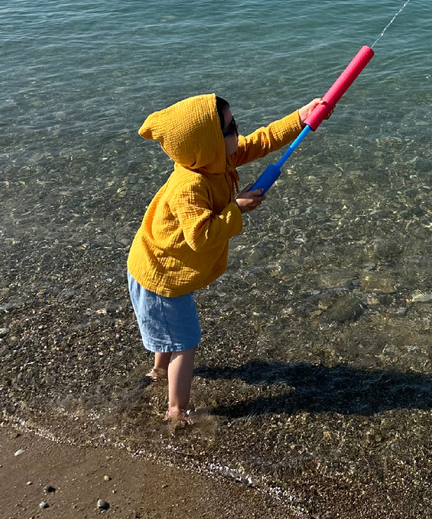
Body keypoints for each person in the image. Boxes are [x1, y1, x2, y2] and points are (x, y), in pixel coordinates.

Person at [126, 91, 325, 421]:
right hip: (160, 277)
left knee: (168, 333)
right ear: (206, 143)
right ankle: (177, 410)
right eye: (231, 127)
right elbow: (201, 237)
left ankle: (158, 371)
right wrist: (237, 208)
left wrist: (300, 117)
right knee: (186, 343)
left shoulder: (216, 159)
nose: (239, 132)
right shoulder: (189, 186)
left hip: (160, 268)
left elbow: (261, 141)